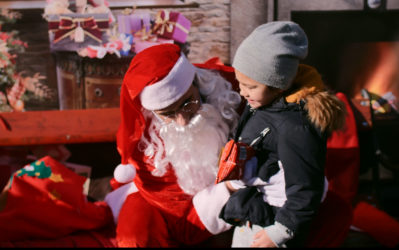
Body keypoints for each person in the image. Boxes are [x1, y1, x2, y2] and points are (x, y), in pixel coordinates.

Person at [217, 21, 347, 247]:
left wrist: (280, 232)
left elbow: (306, 186)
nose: (242, 91)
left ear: (278, 85)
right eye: (240, 83)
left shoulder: (295, 127)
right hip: (255, 209)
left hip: (274, 221)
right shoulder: (263, 102)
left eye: (249, 86)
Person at [104, 43, 243, 247]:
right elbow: (183, 225)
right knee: (134, 233)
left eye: (187, 103)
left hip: (233, 199)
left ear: (196, 82)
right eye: (168, 114)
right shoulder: (147, 150)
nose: (183, 121)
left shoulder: (229, 90)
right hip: (172, 214)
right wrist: (228, 189)